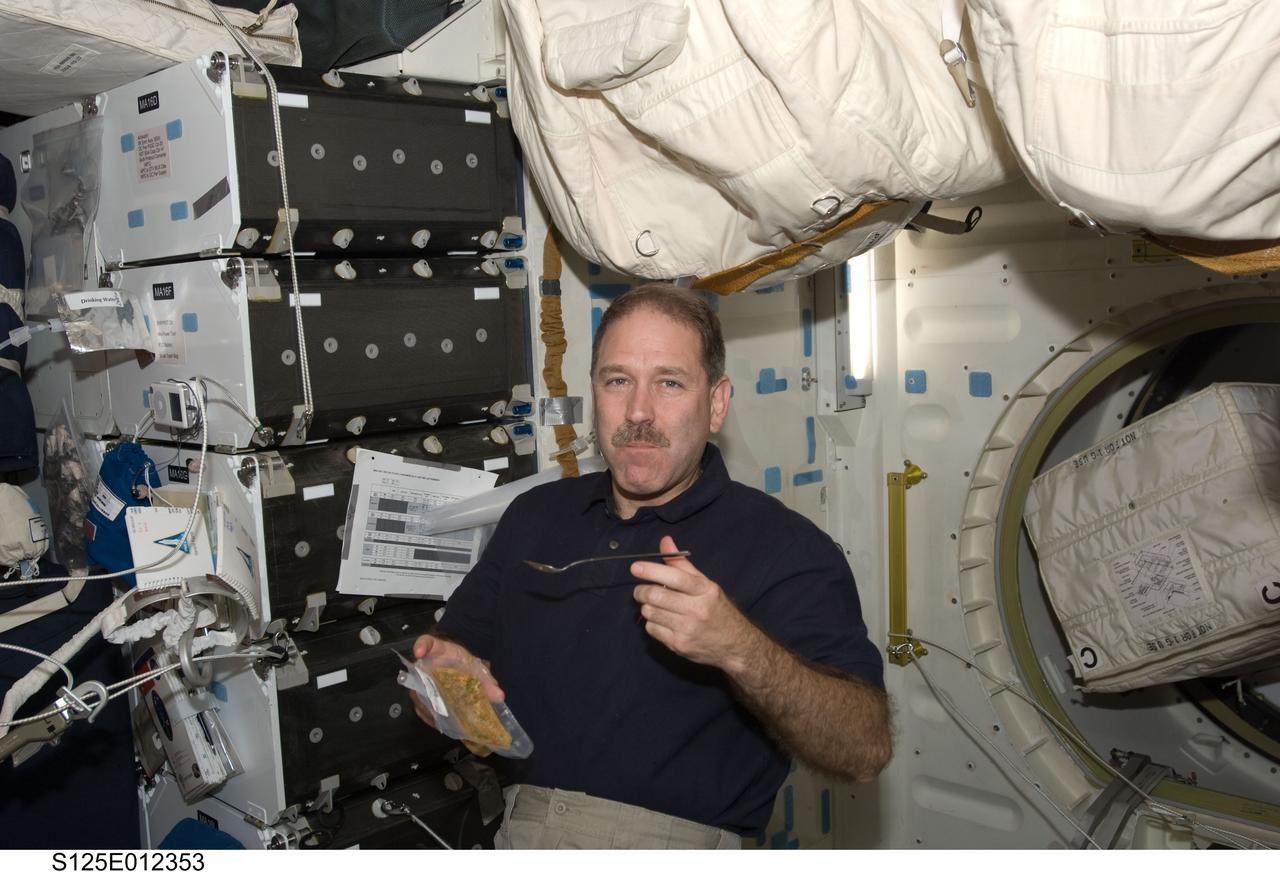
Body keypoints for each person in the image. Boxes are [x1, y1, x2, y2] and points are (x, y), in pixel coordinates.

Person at [411, 283, 890, 849]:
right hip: (519, 830)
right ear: (596, 393)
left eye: (669, 383)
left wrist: (737, 646)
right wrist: (440, 684)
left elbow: (864, 750)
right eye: (618, 381)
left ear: (715, 403)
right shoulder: (535, 515)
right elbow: (451, 662)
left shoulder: (786, 548)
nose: (638, 411)